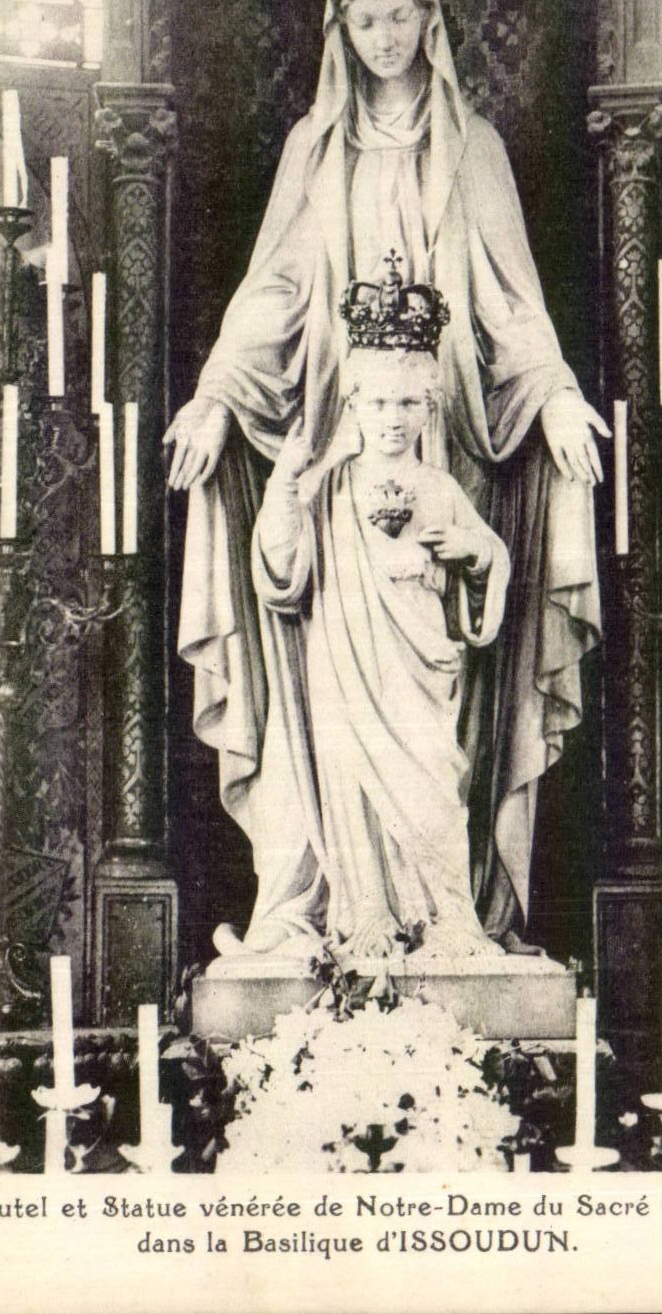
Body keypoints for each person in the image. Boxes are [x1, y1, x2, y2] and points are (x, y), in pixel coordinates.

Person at [165, 0, 606, 955]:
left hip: (451, 442)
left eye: (399, 15)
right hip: (333, 444)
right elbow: (272, 294)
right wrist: (221, 397)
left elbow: (511, 302)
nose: (381, 36)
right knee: (329, 693)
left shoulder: (476, 149)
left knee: (440, 698)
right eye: (361, 19)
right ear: (338, 27)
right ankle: (324, 904)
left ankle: (446, 914)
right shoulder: (311, 151)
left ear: (430, 19)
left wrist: (551, 397)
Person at [249, 269, 510, 960]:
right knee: (354, 791)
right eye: (379, 402)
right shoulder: (328, 485)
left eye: (407, 403)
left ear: (428, 407)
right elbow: (282, 572)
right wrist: (282, 487)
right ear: (355, 405)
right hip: (346, 671)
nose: (393, 417)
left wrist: (474, 553)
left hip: (420, 675)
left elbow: (489, 561)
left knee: (432, 782)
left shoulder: (441, 487)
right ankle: (365, 918)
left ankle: (445, 917)